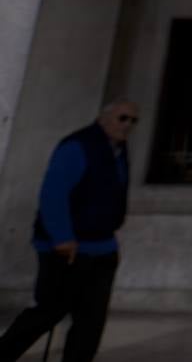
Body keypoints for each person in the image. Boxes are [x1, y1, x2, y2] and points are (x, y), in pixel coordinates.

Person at [0, 98, 139, 362]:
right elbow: (54, 194)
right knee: (48, 311)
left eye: (134, 120)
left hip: (102, 247)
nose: (128, 125)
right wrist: (62, 237)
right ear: (104, 118)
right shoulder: (79, 145)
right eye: (123, 118)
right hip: (67, 248)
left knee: (91, 319)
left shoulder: (118, 149)